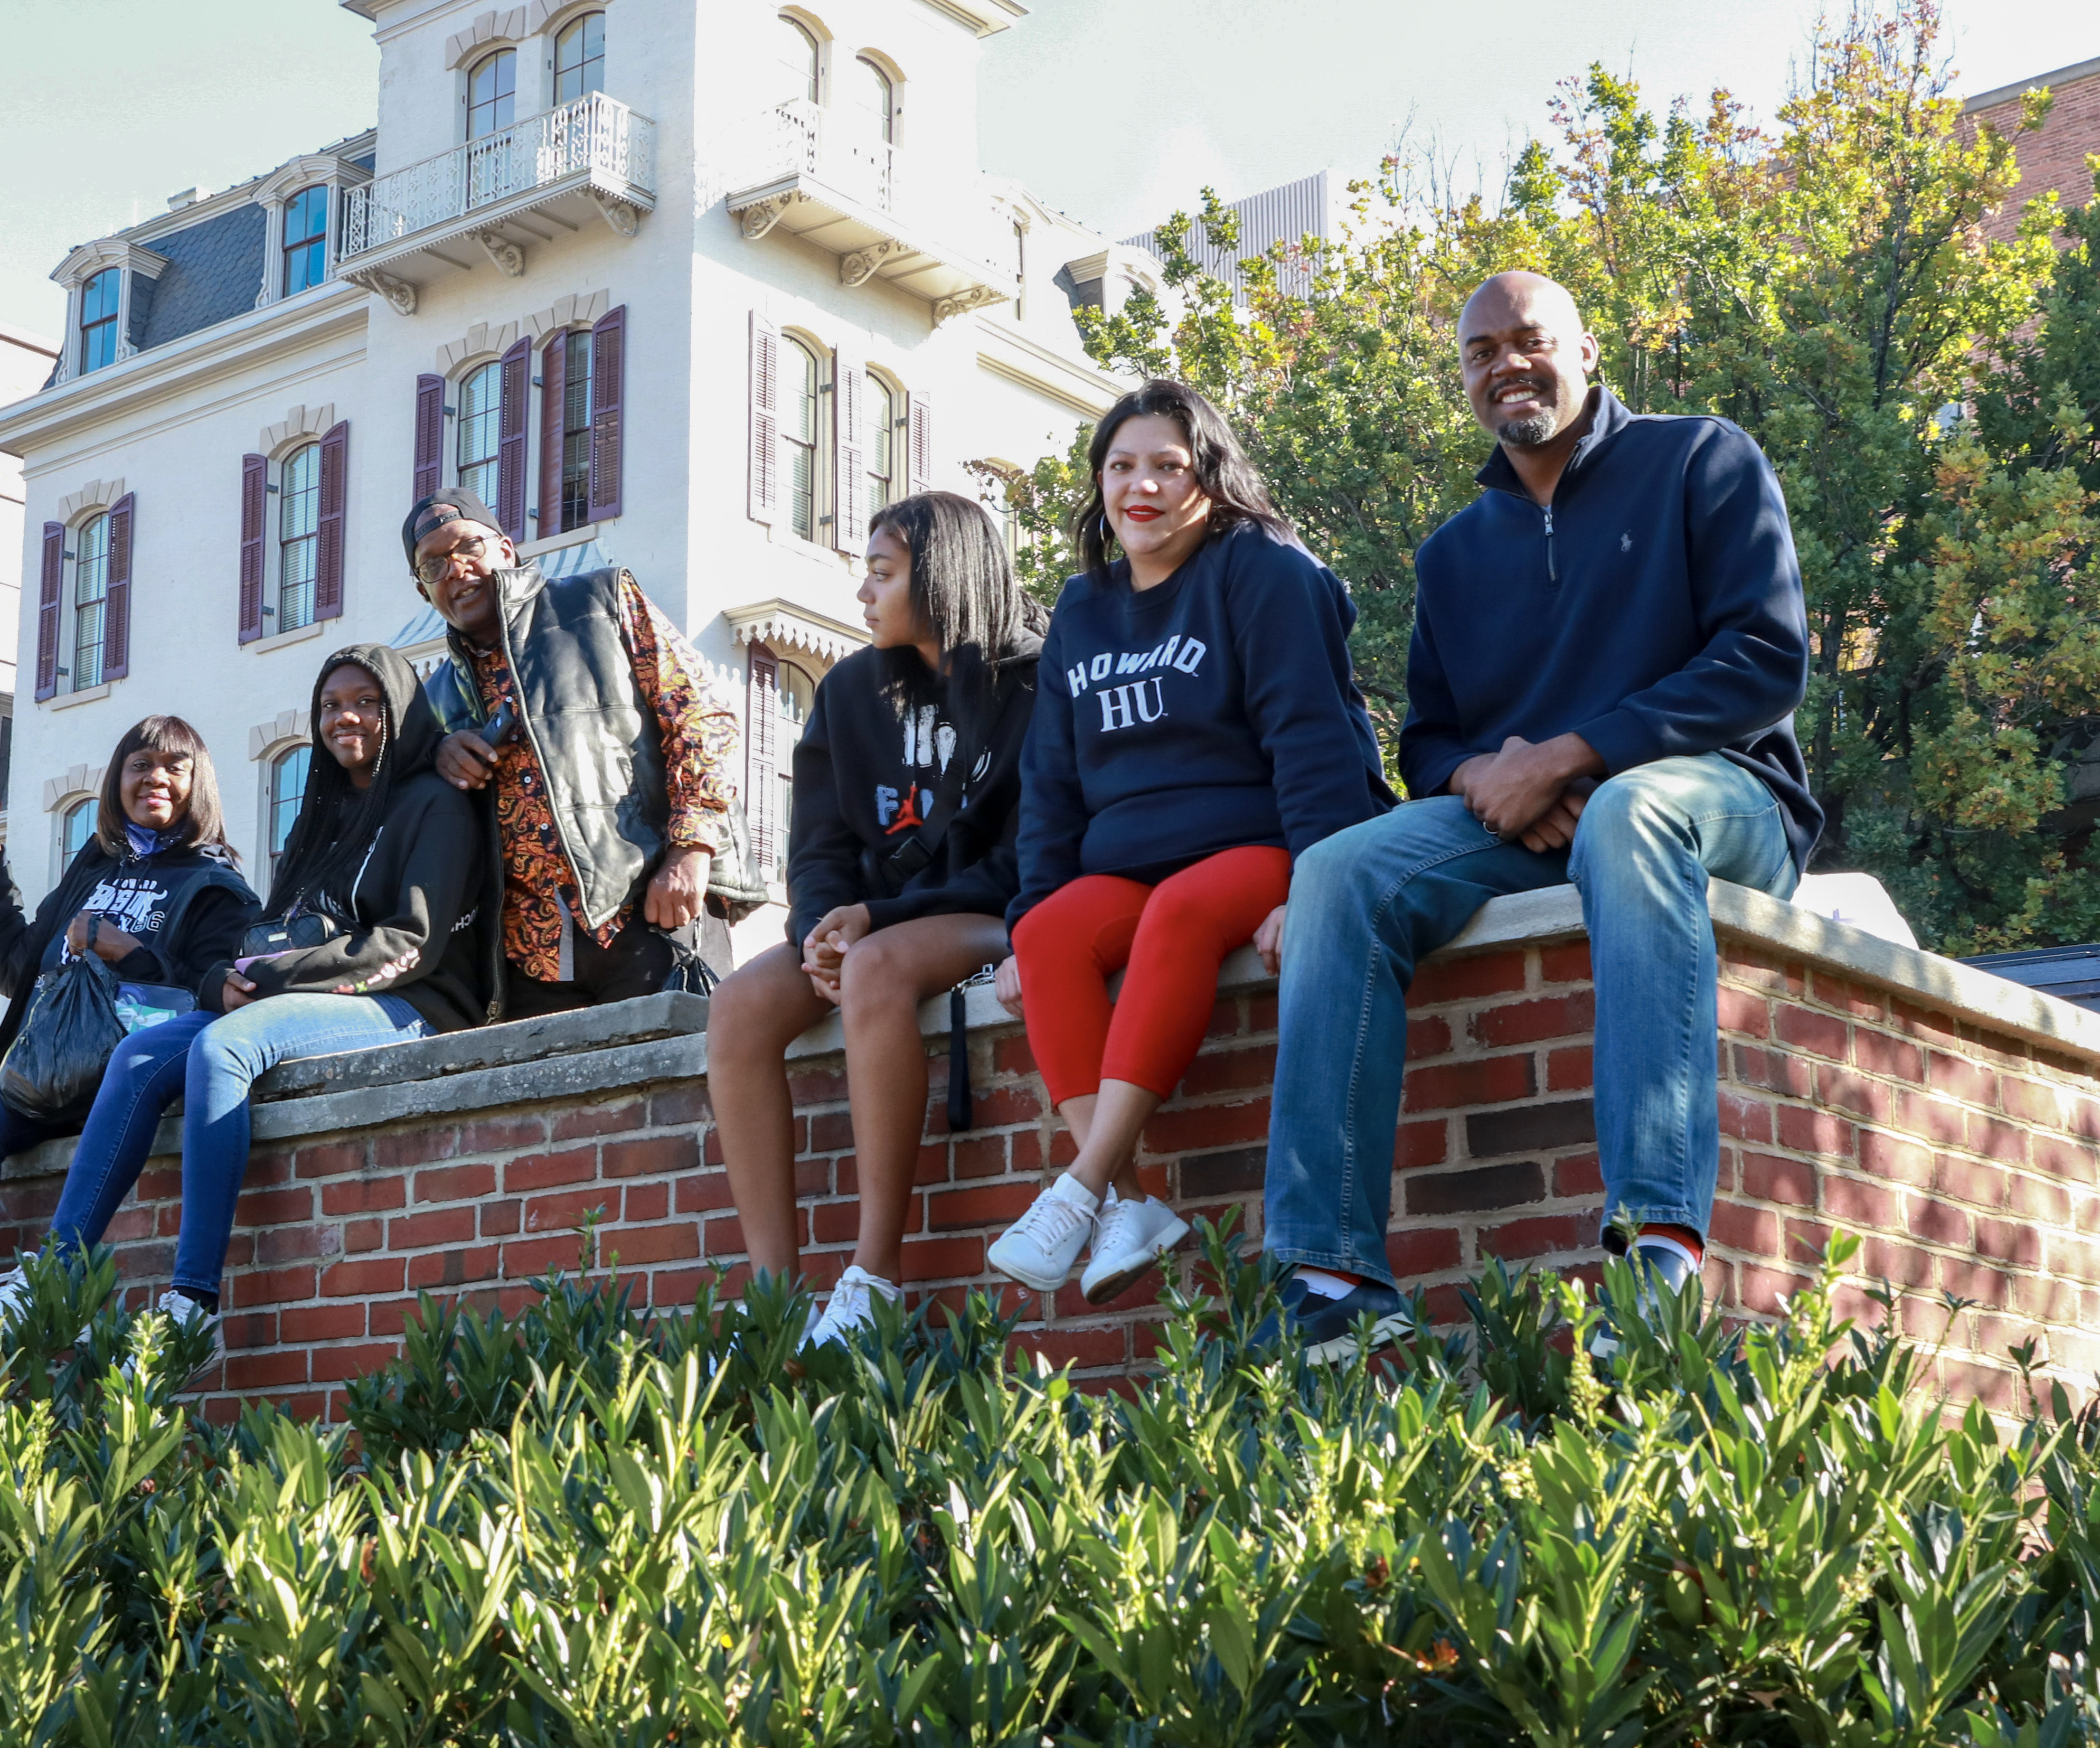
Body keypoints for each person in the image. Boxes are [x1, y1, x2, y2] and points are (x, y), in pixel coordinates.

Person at [1257, 271, 1813, 1362]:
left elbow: (1764, 658)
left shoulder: (1700, 459)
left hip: (1720, 796)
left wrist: (1572, 759)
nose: (1507, 362)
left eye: (1531, 338)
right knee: (1335, 872)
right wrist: (1491, 781)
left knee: (1630, 816)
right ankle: (1331, 1278)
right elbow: (1427, 738)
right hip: (1537, 824)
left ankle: (1656, 1247)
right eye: (1481, 350)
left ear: (1587, 349)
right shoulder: (1454, 553)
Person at [986, 379, 1395, 1312]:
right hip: (1124, 860)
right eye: (1121, 466)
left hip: (1256, 845)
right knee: (1051, 936)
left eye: (1167, 466)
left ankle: (1082, 1186)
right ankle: (1127, 1199)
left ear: (1209, 477)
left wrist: (1320, 882)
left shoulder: (1263, 571)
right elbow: (1048, 784)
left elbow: (1313, 736)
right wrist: (1023, 920)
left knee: (1178, 912)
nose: (1142, 487)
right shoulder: (1082, 610)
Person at [0, 646, 493, 1347]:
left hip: (413, 1002)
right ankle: (57, 1274)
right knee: (144, 1055)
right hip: (304, 995)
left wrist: (270, 980)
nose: (344, 717)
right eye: (329, 706)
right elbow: (272, 932)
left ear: (400, 709)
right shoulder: (324, 811)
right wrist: (227, 979)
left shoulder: (435, 805)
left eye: (365, 701)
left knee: (224, 1045)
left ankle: (192, 1302)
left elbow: (409, 943)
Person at [708, 492, 1040, 1348]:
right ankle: (776, 1295)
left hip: (990, 913)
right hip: (866, 923)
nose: (862, 592)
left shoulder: (1029, 683)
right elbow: (817, 841)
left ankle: (875, 1275)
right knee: (741, 1003)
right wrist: (816, 926)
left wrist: (871, 921)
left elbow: (1023, 857)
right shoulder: (852, 689)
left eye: (882, 574)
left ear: (939, 578)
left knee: (877, 966)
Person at [0, 717, 259, 1260]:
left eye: (176, 767)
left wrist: (127, 951)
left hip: (111, 1080)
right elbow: (14, 970)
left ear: (199, 785)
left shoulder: (216, 888)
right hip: (39, 1064)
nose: (157, 778)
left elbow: (208, 996)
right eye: (141, 765)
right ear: (117, 780)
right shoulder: (96, 865)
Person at [408, 488, 753, 1018]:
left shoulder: (600, 601)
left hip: (649, 912)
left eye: (468, 547)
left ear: (505, 548)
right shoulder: (434, 700)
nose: (455, 570)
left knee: (689, 1095)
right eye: (434, 565)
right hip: (527, 962)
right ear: (423, 589)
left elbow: (701, 716)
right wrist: (439, 759)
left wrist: (692, 849)